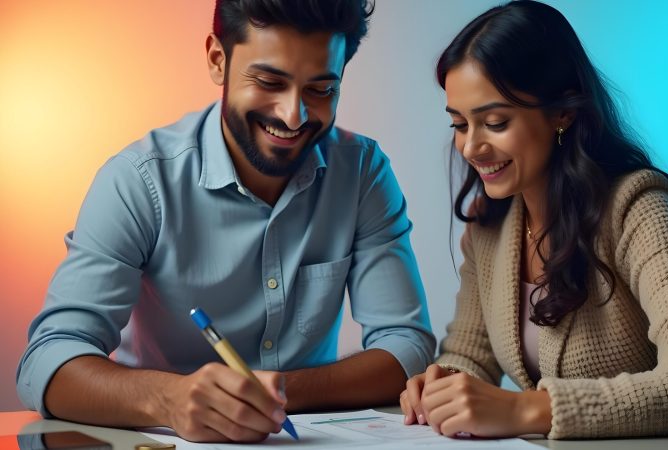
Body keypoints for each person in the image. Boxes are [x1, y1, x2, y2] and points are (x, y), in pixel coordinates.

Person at [17, 0, 435, 443]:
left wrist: (272, 393)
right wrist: (169, 399)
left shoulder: (363, 172)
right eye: (270, 81)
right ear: (219, 60)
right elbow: (47, 360)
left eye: (321, 90)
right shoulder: (139, 181)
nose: (293, 116)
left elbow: (406, 348)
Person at [399, 0, 668, 440]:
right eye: (459, 124)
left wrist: (531, 409)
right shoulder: (490, 224)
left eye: (494, 122)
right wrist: (441, 385)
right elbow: (469, 354)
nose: (471, 148)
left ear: (563, 112)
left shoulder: (636, 206)